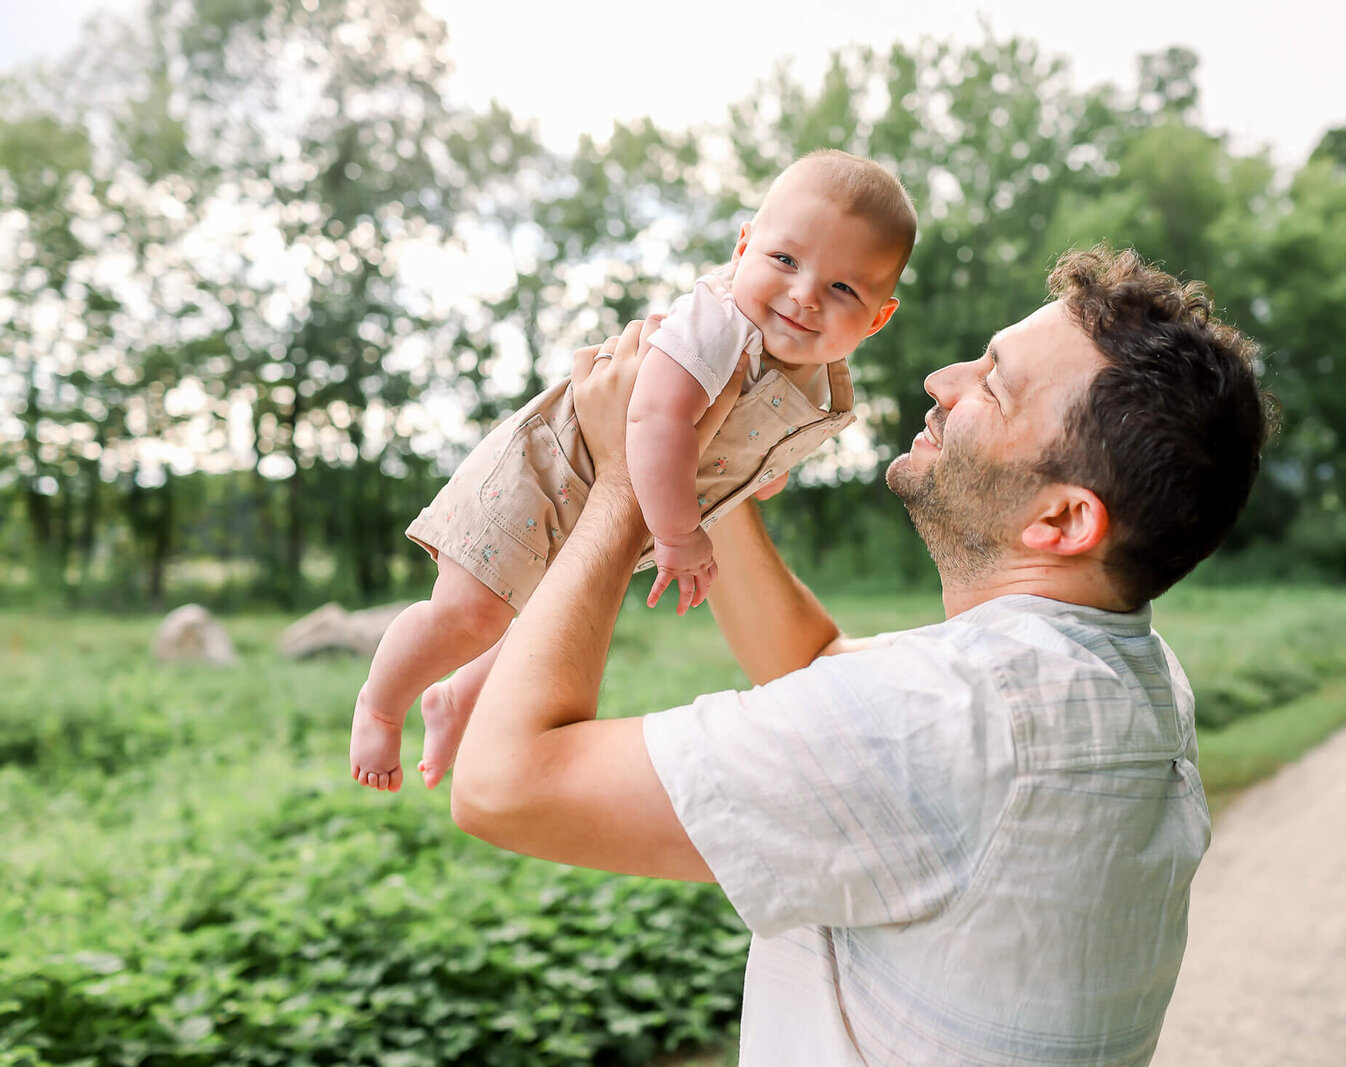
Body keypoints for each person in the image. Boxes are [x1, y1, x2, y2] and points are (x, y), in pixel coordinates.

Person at [449, 245, 1273, 1066]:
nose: (941, 381)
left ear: (1061, 521)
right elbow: (821, 666)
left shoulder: (951, 719)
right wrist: (697, 481)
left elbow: (505, 784)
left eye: (992, 383)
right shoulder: (1129, 671)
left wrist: (624, 491)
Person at [350, 150, 916, 792]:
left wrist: (759, 475)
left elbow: (754, 444)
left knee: (539, 630)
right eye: (785, 260)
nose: (804, 294)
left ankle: (456, 701)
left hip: (605, 508)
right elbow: (653, 421)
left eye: (842, 288)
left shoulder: (815, 380)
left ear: (877, 318)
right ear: (744, 246)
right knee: (471, 616)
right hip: (546, 474)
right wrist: (679, 537)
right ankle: (379, 702)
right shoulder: (717, 322)